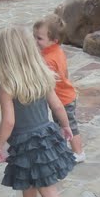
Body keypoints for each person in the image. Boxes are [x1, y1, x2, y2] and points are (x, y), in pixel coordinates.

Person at [0, 25, 83, 197]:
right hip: (46, 136)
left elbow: (9, 122)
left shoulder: (7, 86)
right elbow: (58, 106)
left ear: (3, 57)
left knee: (48, 190)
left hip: (28, 143)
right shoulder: (42, 75)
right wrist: (66, 126)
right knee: (30, 180)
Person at [33, 14, 85, 163]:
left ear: (54, 40)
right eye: (34, 37)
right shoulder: (57, 50)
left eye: (39, 38)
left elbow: (45, 84)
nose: (35, 41)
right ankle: (63, 149)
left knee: (69, 125)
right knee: (61, 126)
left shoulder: (48, 60)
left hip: (62, 100)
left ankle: (78, 152)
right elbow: (65, 73)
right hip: (65, 95)